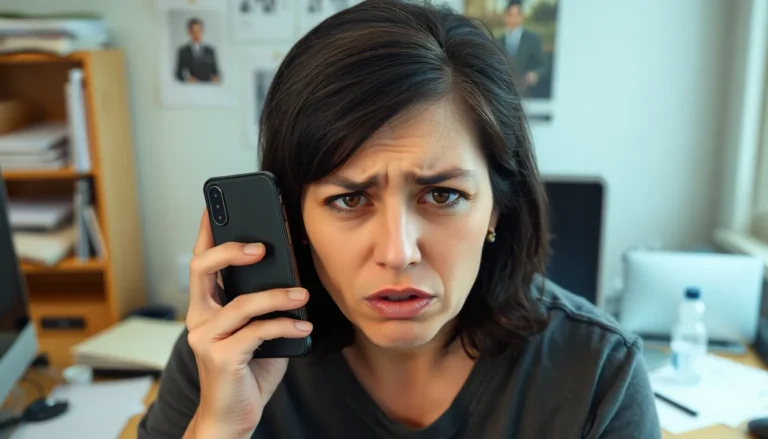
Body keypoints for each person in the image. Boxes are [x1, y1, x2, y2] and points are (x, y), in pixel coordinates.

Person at [140, 1, 661, 438]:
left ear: (497, 206)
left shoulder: (599, 374)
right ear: (293, 218)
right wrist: (220, 427)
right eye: (349, 200)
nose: (397, 253)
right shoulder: (228, 354)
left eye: (442, 195)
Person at [496, 0, 547, 96]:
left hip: (526, 94)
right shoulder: (497, 41)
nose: (514, 19)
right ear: (505, 16)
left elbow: (543, 66)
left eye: (517, 15)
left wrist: (535, 74)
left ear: (522, 17)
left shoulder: (533, 39)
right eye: (510, 15)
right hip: (503, 94)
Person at [174, 17, 220, 84]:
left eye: (199, 31)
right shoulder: (183, 51)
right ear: (189, 32)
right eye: (194, 31)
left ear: (202, 31)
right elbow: (178, 74)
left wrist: (215, 78)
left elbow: (216, 72)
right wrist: (187, 79)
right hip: (191, 87)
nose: (197, 34)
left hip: (208, 86)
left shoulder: (210, 51)